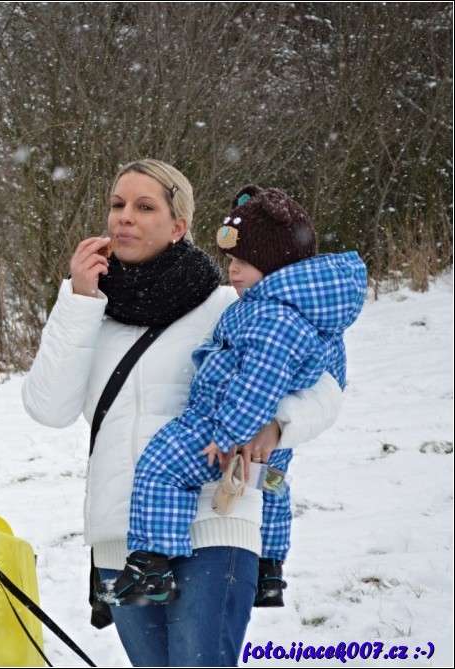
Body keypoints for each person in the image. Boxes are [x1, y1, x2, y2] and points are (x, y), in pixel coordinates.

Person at [21, 159, 345, 666]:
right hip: (122, 543)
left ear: (179, 226)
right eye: (117, 204)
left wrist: (278, 425)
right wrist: (78, 301)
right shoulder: (89, 313)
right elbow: (48, 409)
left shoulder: (229, 306)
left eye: (144, 206)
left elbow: (325, 389)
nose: (125, 216)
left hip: (213, 525)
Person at [102, 185, 367, 608]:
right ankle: (269, 569)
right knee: (271, 487)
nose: (233, 271)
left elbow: (258, 382)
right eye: (230, 260)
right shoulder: (302, 312)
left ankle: (151, 563)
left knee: (161, 467)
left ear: (277, 266)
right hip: (261, 438)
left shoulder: (273, 316)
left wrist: (228, 434)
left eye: (244, 262)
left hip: (220, 422)